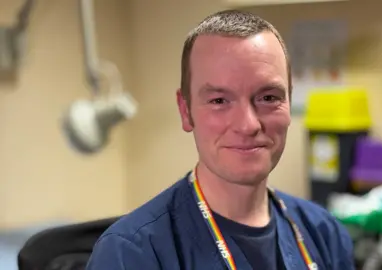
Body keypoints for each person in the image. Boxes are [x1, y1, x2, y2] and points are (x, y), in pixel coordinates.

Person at [86, 9, 354, 270]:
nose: (248, 125)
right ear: (185, 110)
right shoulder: (132, 253)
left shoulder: (324, 233)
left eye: (268, 98)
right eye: (219, 100)